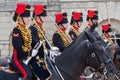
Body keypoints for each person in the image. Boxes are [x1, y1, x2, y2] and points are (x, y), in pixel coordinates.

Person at [29, 4, 52, 80]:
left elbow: (46, 43)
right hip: (36, 58)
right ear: (38, 17)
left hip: (44, 57)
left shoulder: (41, 29)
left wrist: (51, 49)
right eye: (43, 16)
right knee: (43, 75)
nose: (45, 18)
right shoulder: (32, 28)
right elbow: (36, 43)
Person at [10, 3, 32, 80]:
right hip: (17, 59)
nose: (28, 19)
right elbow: (18, 47)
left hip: (25, 58)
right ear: (20, 18)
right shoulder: (17, 30)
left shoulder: (27, 30)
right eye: (26, 17)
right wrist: (30, 51)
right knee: (27, 75)